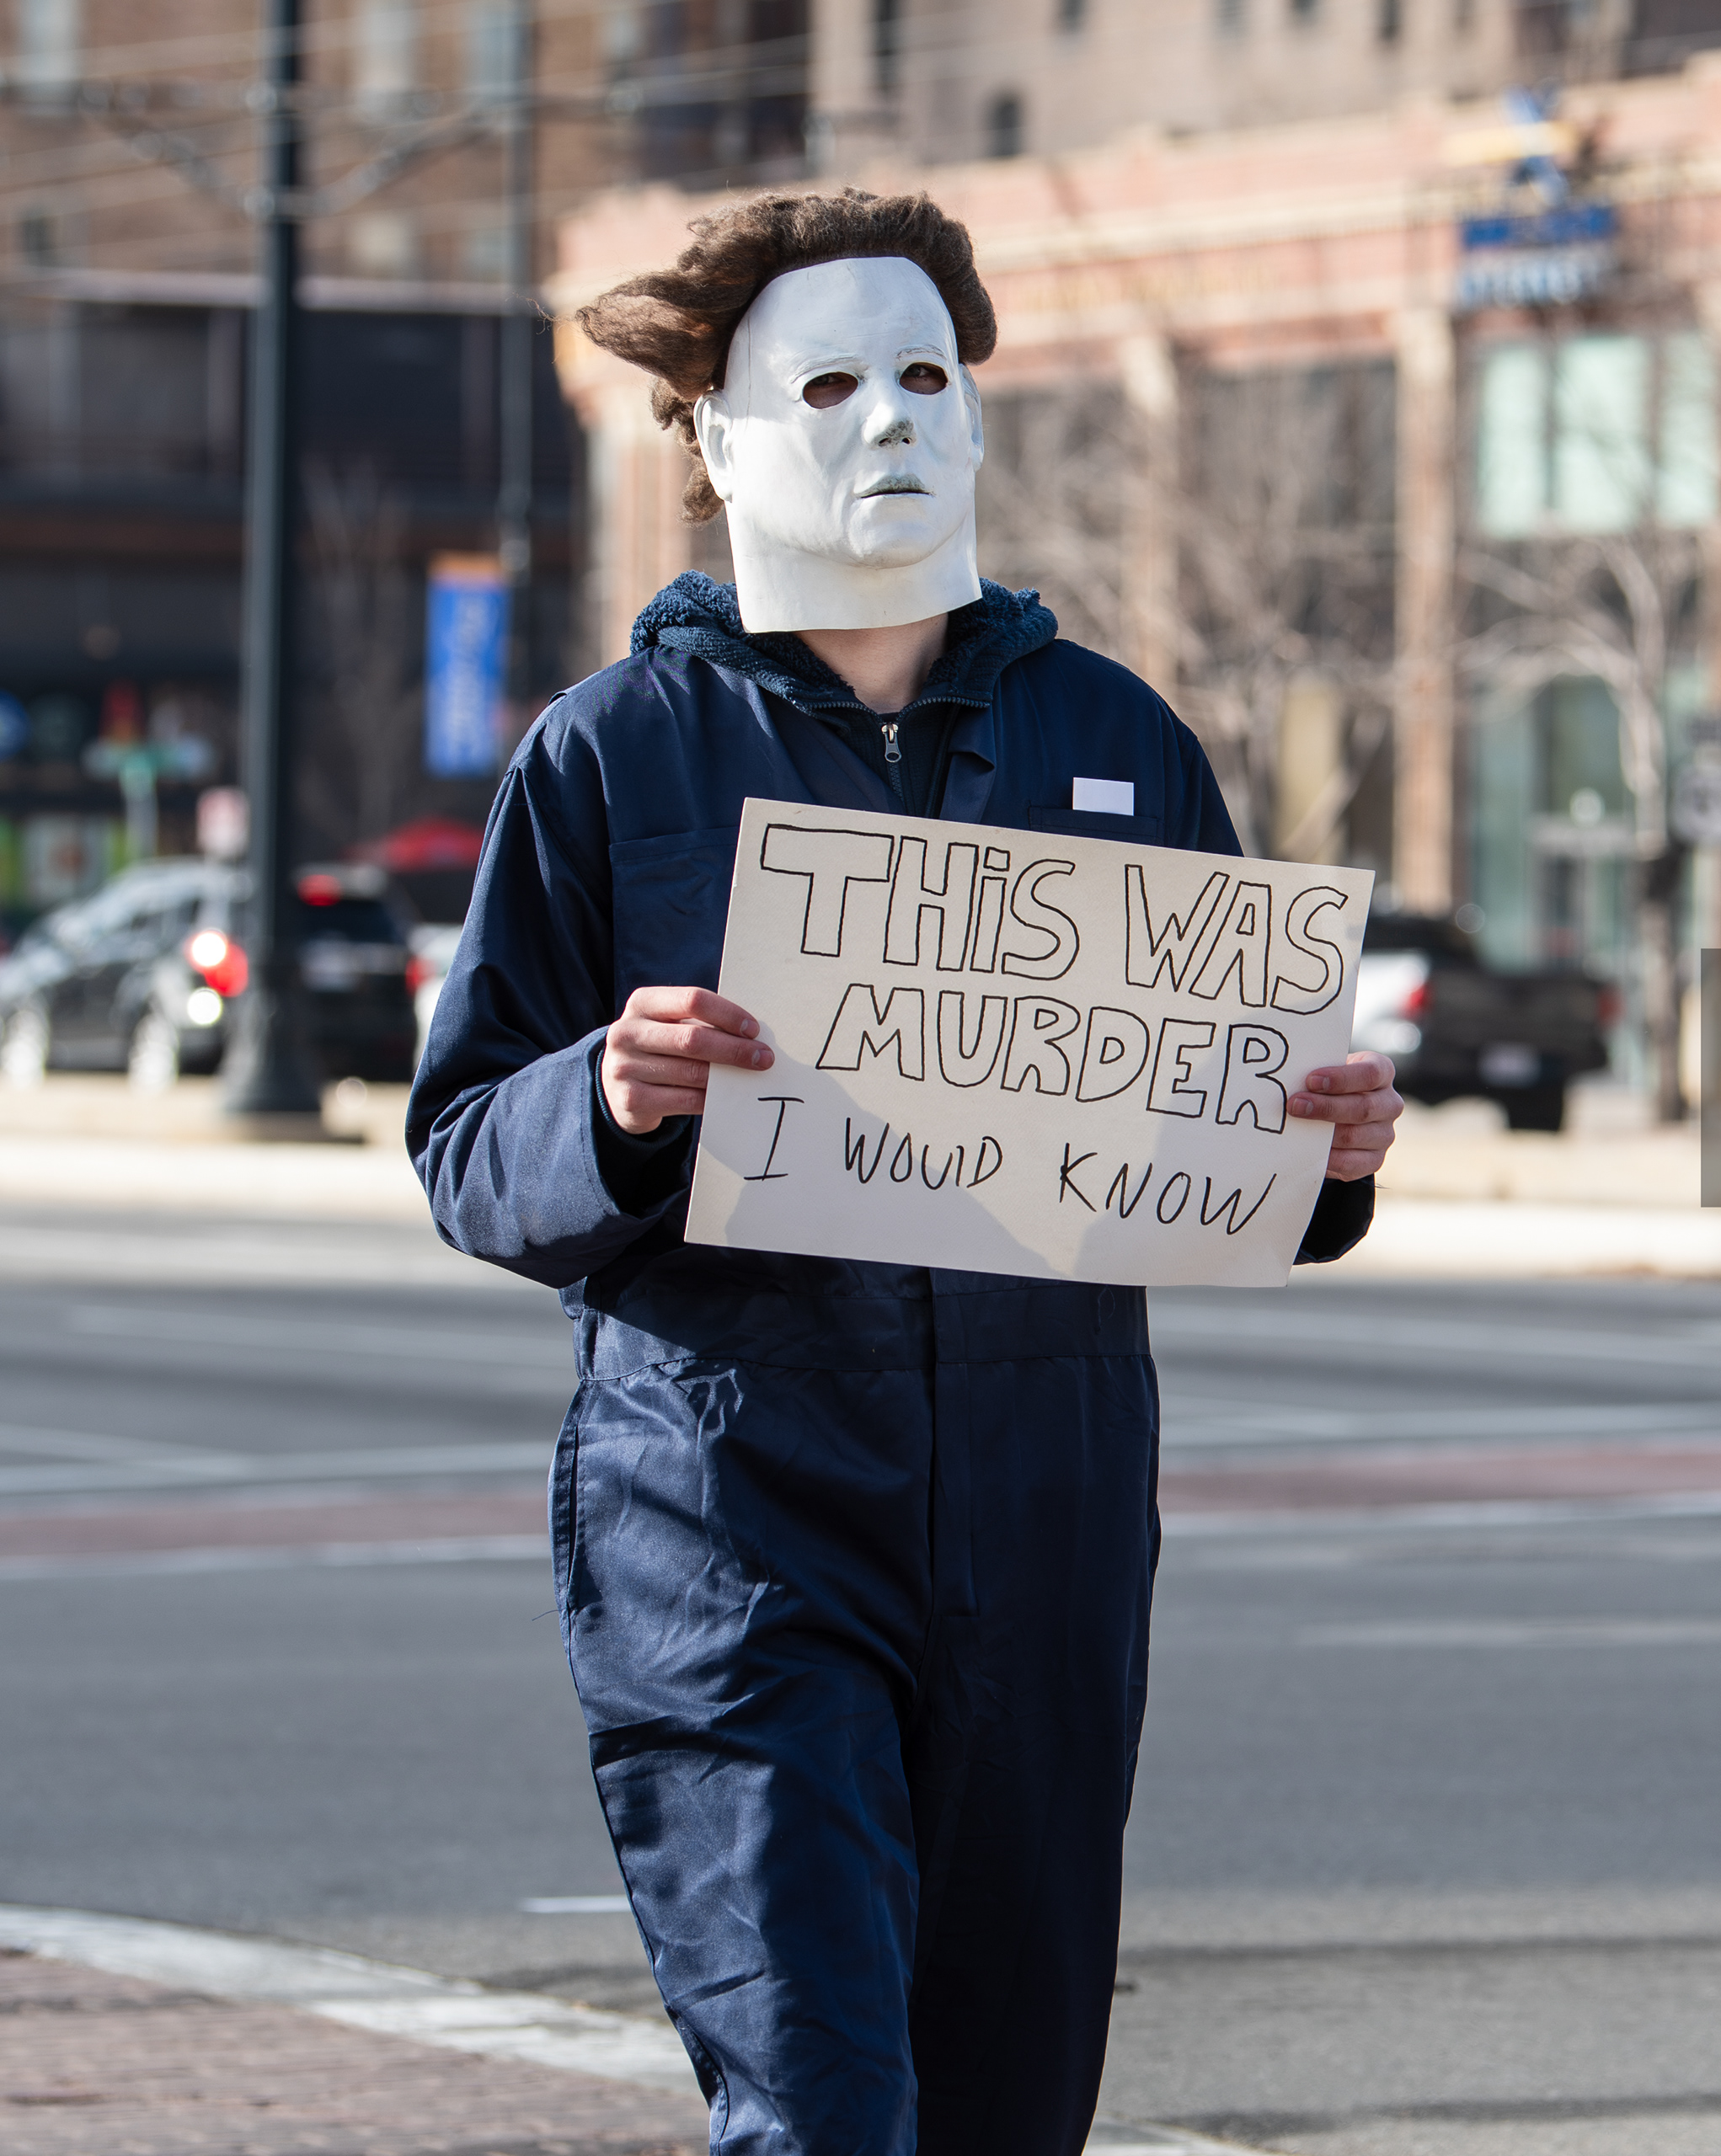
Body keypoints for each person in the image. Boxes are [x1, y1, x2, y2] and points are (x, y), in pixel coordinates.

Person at [408, 188, 1403, 2156]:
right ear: (709, 437)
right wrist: (608, 1095)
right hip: (734, 1508)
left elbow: (1226, 1139)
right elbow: (462, 1144)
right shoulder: (616, 754)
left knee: (1012, 2102)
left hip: (1045, 1515)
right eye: (833, 383)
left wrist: (1327, 1158)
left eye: (930, 376)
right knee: (826, 2100)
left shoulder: (1115, 739)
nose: (892, 424)